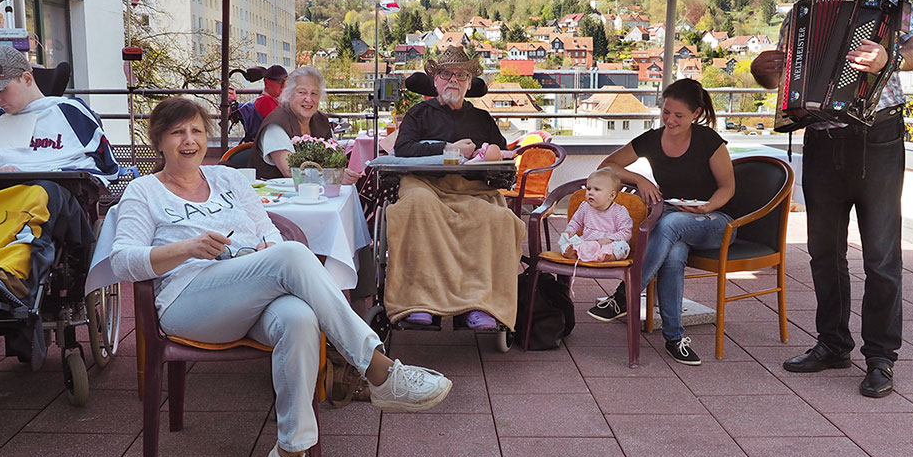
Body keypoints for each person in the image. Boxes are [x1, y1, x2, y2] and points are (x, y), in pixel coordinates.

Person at [110, 96, 452, 457]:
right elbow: (122, 259)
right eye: (178, 132)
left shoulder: (229, 180)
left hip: (250, 291)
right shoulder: (144, 191)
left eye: (197, 130)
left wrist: (266, 249)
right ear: (158, 140)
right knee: (291, 256)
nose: (189, 140)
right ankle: (378, 369)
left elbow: (267, 229)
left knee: (299, 317)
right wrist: (187, 248)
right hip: (189, 301)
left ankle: (290, 456)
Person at [751, 0, 913, 398]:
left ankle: (880, 358)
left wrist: (888, 57)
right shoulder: (798, 16)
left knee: (880, 254)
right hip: (821, 140)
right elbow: (782, 86)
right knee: (823, 252)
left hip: (878, 137)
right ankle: (832, 344)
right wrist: (763, 71)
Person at [591, 79, 736, 366]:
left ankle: (624, 295)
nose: (670, 120)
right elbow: (607, 166)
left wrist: (707, 206)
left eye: (678, 115)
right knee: (674, 251)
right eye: (666, 112)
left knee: (669, 226)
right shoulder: (652, 139)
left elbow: (728, 188)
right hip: (674, 220)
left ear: (696, 113)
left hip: (715, 221)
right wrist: (640, 178)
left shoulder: (708, 141)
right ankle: (674, 338)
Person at [387, 46, 526, 331]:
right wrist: (448, 148)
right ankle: (420, 302)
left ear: (469, 83)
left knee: (498, 218)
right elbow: (402, 149)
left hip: (470, 188)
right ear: (435, 79)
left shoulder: (482, 119)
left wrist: (494, 153)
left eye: (460, 75)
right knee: (417, 206)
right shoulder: (419, 113)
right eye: (446, 73)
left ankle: (479, 304)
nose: (453, 80)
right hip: (424, 184)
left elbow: (501, 151)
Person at [0, 46, 119, 184]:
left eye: (2, 90)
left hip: (48, 198)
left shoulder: (70, 113)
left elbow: (104, 166)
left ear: (26, 78)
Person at [250, 66, 358, 184]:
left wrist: (343, 173)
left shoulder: (320, 120)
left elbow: (335, 159)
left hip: (316, 193)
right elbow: (290, 171)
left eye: (314, 93)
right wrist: (332, 176)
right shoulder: (275, 125)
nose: (308, 99)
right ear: (289, 94)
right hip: (278, 198)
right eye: (301, 92)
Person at [559, 167, 632, 262]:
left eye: (597, 190)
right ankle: (573, 254)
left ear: (612, 195)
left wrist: (609, 239)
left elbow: (626, 232)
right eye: (588, 189)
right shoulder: (585, 207)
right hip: (587, 242)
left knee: (623, 247)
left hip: (607, 244)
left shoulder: (619, 211)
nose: (590, 193)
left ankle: (608, 256)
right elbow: (576, 222)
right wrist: (569, 231)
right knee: (564, 242)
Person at [233, 64, 287, 140]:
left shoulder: (272, 100)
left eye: (286, 82)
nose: (284, 85)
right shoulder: (265, 101)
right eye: (280, 81)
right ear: (266, 82)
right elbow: (282, 127)